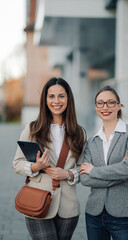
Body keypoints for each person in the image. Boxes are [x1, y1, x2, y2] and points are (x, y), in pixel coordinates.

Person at [13, 77, 86, 240]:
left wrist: (66, 174)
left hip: (68, 206)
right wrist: (35, 167)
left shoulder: (79, 133)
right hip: (37, 201)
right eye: (51, 96)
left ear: (68, 99)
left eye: (61, 96)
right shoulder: (33, 129)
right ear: (45, 100)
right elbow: (16, 164)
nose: (56, 101)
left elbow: (83, 169)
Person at [80, 85, 128, 240]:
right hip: (94, 214)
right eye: (100, 103)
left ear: (118, 106)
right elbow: (85, 179)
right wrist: (118, 175)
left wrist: (94, 171)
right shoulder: (91, 141)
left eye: (110, 102)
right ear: (95, 107)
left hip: (123, 213)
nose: (105, 107)